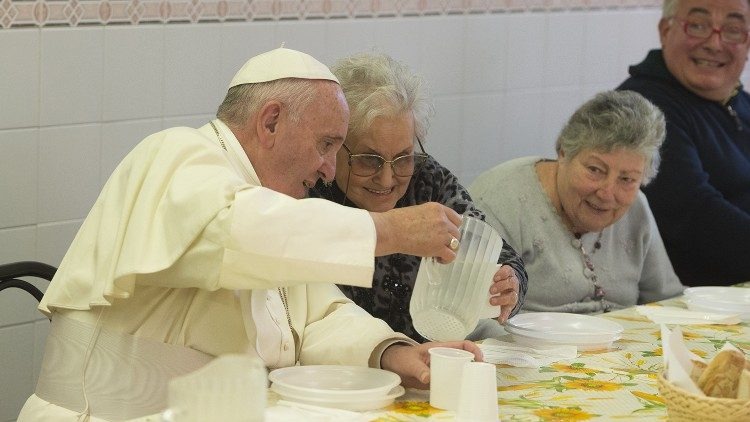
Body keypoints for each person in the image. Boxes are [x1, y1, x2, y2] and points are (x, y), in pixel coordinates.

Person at [18, 47, 482, 422]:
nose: (328, 170)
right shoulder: (177, 153)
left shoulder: (268, 207)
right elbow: (230, 232)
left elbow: (314, 316)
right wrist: (387, 229)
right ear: (271, 121)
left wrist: (394, 353)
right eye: (326, 145)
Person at [309, 52, 528, 342]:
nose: (387, 179)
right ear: (335, 144)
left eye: (403, 158)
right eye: (368, 160)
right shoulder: (309, 185)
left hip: (427, 357)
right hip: (334, 357)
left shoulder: (427, 180)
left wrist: (509, 283)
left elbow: (492, 248)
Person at [469, 90, 685, 314]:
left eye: (627, 179)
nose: (607, 193)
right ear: (564, 153)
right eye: (595, 170)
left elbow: (669, 302)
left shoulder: (636, 208)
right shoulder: (500, 203)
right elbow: (473, 320)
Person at [617, 0, 750, 286]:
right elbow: (696, 218)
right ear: (665, 31)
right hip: (690, 298)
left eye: (733, 30)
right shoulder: (642, 110)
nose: (714, 44)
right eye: (698, 26)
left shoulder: (738, 102)